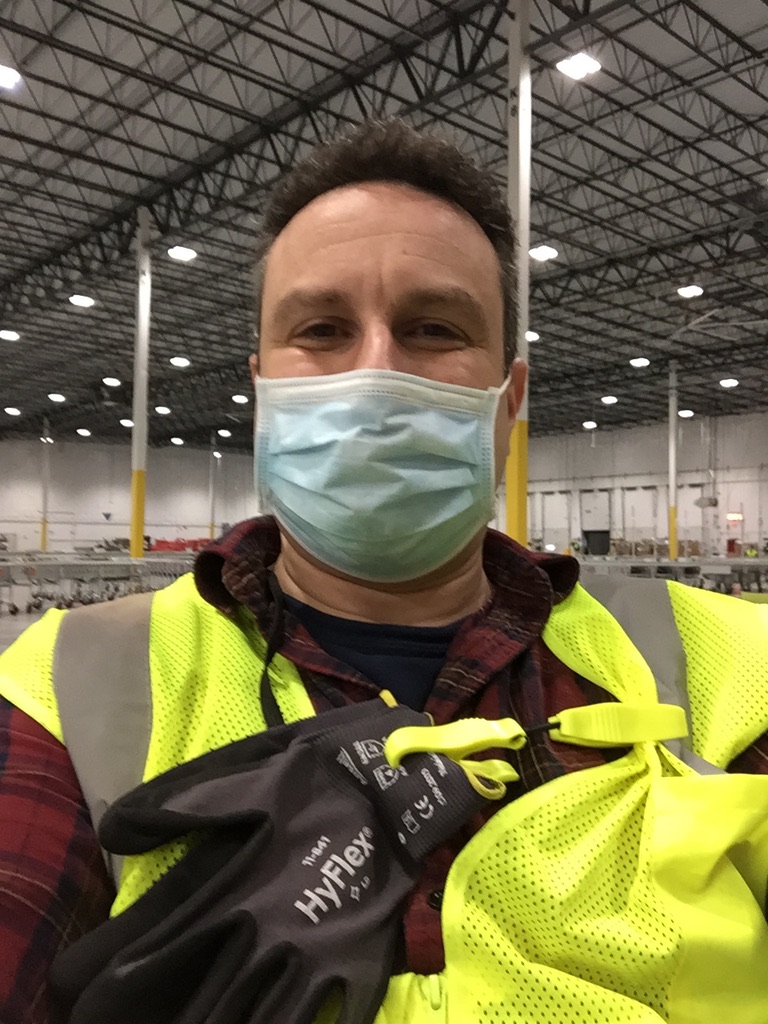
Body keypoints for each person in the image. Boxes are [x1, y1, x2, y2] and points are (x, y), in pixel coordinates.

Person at [1, 118, 768, 1024]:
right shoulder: (73, 685)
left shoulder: (733, 660)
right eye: (322, 329)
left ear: (508, 403)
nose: (374, 375)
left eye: (433, 329)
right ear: (263, 391)